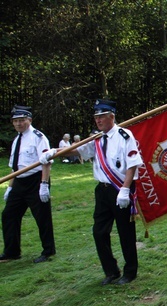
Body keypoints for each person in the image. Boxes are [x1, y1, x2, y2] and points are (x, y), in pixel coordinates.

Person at [40, 99, 143, 284]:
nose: (98, 120)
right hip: (102, 191)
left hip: (120, 188)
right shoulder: (96, 139)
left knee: (125, 232)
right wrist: (54, 152)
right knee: (99, 232)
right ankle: (111, 271)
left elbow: (133, 165)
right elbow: (77, 151)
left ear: (112, 116)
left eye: (102, 116)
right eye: (96, 117)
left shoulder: (124, 136)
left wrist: (126, 189)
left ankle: (130, 271)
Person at [1, 105, 55, 263]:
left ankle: (48, 251)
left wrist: (44, 184)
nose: (18, 124)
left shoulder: (38, 137)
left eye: (21, 120)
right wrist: (10, 188)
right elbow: (14, 167)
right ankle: (12, 251)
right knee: (8, 214)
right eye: (15, 121)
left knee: (42, 216)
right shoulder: (17, 139)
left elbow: (46, 162)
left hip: (36, 180)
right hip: (19, 182)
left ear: (29, 120)